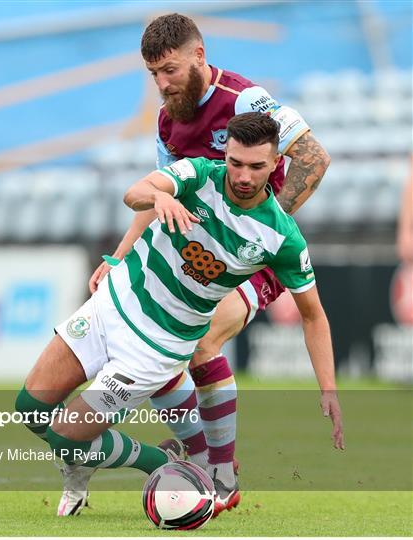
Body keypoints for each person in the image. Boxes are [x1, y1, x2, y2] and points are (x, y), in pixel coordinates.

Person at [16, 113, 344, 519]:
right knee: (30, 409)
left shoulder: (282, 238)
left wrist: (328, 387)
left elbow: (313, 316)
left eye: (256, 166)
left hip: (155, 349)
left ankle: (161, 464)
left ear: (277, 163)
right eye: (236, 162)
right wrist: (160, 197)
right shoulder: (199, 173)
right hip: (111, 306)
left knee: (66, 436)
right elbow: (135, 192)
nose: (243, 175)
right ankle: (103, 464)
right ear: (226, 153)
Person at [83, 13, 334, 517]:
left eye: (170, 70)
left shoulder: (244, 100)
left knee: (201, 340)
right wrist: (118, 255)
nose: (162, 83)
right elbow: (157, 195)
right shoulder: (166, 120)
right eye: (153, 73)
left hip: (250, 256)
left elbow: (313, 158)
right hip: (193, 260)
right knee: (162, 348)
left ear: (199, 55)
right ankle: (205, 465)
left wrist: (258, 233)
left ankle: (220, 475)